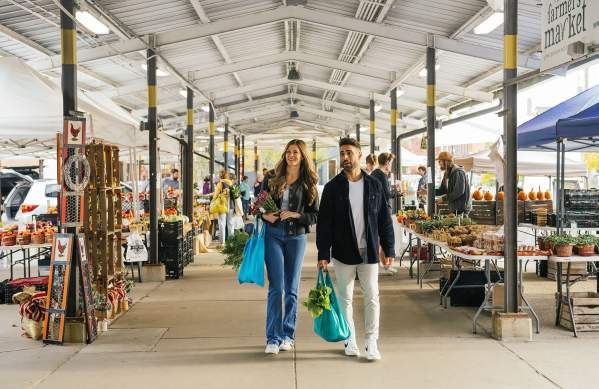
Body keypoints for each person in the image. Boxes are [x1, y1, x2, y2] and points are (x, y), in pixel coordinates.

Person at [316, 137, 395, 361]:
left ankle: (372, 341)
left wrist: (388, 248)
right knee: (345, 298)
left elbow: (384, 219)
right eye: (342, 153)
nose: (345, 157)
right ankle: (349, 338)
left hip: (368, 250)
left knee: (372, 297)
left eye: (349, 153)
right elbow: (324, 224)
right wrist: (323, 253)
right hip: (343, 252)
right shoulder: (332, 188)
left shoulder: (374, 185)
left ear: (359, 155)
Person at [261, 139, 319, 355]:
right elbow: (258, 205)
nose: (291, 155)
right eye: (288, 151)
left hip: (296, 237)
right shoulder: (271, 178)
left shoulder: (309, 183)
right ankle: (272, 338)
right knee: (276, 287)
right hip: (273, 235)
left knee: (291, 289)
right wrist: (266, 215)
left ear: (302, 156)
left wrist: (296, 215)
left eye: (295, 152)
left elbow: (315, 215)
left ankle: (288, 335)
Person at [370, 152, 398, 275]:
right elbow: (386, 194)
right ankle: (382, 266)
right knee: (384, 238)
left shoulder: (375, 173)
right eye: (391, 162)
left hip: (375, 210)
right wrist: (396, 191)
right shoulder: (381, 175)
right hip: (382, 210)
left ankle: (383, 265)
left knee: (379, 238)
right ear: (387, 162)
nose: (391, 165)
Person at [212, 170, 233, 246]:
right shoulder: (231, 183)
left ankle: (222, 242)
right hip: (230, 205)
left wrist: (213, 200)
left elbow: (215, 195)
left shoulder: (220, 183)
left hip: (222, 205)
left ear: (221, 176)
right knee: (230, 223)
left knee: (221, 223)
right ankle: (231, 242)